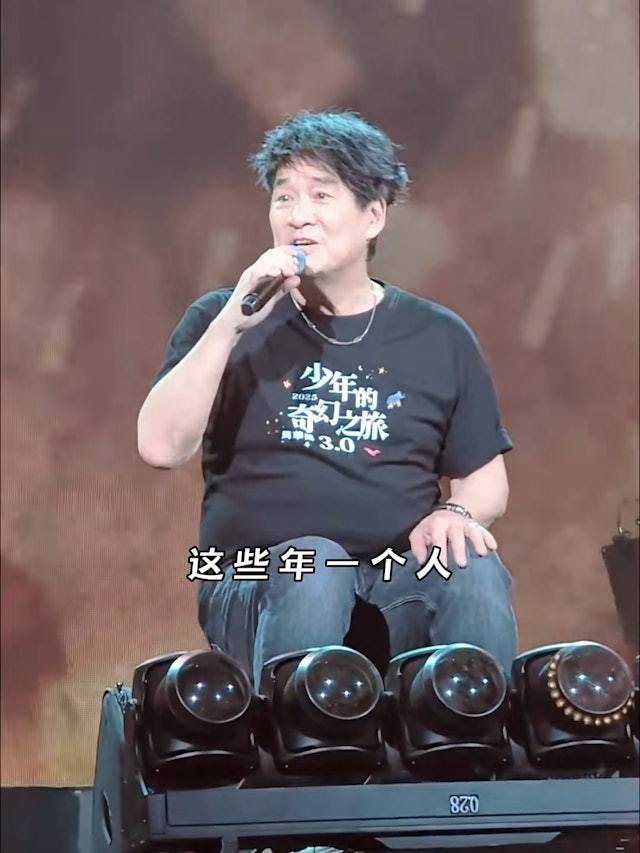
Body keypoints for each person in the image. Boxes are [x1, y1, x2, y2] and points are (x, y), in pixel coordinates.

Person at [137, 110, 517, 688]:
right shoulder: (223, 319)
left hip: (391, 576)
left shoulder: (439, 336)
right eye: (284, 197)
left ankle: (472, 734)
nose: (298, 215)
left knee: (472, 565)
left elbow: (485, 480)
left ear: (373, 215)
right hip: (259, 578)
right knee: (314, 563)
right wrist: (232, 323)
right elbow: (161, 447)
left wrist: (456, 513)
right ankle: (297, 738)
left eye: (320, 194)